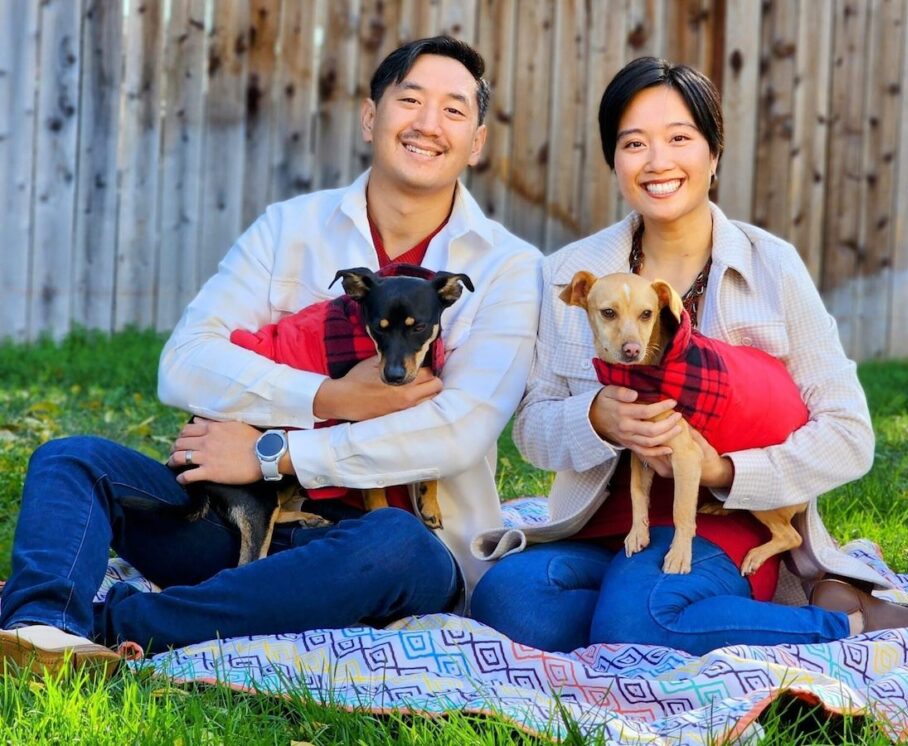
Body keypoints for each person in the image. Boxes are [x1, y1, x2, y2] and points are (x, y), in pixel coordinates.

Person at [0, 36, 541, 674]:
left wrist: (273, 453)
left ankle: (114, 624)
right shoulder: (289, 228)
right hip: (243, 528)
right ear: (372, 117)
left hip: (390, 549)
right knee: (73, 459)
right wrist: (325, 397)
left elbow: (458, 432)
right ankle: (41, 629)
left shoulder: (509, 268)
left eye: (454, 110)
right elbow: (184, 363)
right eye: (411, 100)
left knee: (393, 545)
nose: (427, 124)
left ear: (476, 142)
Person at [470, 57, 908, 655]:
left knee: (635, 625)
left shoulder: (770, 267)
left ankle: (850, 626)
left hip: (724, 527)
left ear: (713, 155)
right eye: (634, 142)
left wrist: (724, 472)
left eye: (679, 139)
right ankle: (659, 615)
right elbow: (533, 430)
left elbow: (850, 436)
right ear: (614, 160)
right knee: (507, 600)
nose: (657, 161)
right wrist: (596, 418)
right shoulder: (570, 274)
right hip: (599, 529)